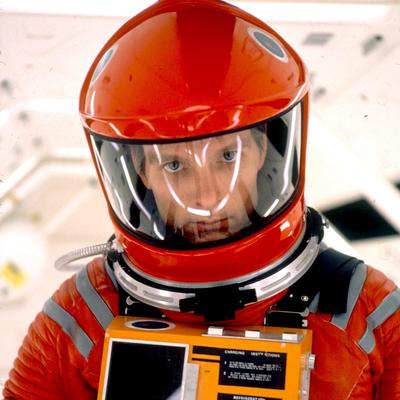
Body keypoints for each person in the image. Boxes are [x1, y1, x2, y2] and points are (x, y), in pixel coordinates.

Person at [4, 0, 399, 399]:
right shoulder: (81, 318)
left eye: (228, 157)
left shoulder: (367, 311)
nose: (208, 198)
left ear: (263, 152)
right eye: (174, 166)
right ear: (141, 172)